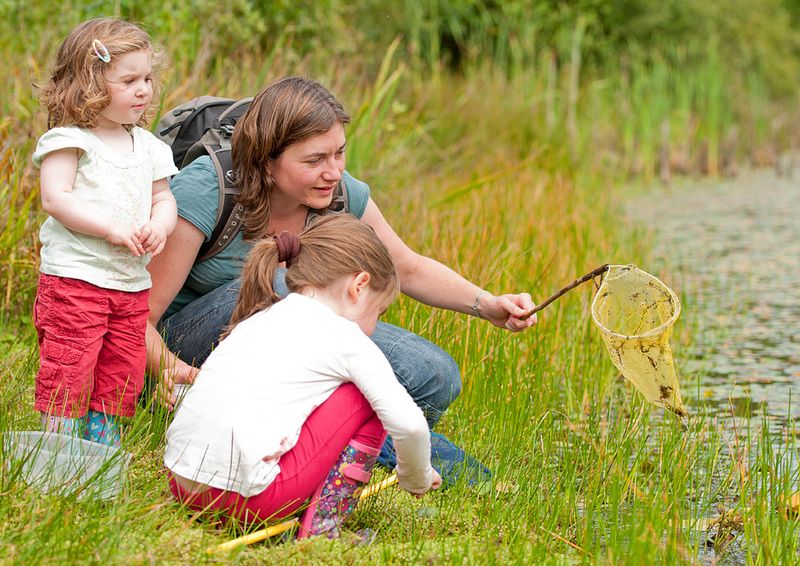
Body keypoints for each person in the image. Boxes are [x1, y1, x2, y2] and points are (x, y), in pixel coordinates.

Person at [147, 76, 536, 472]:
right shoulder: (209, 188)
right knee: (282, 289)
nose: (333, 172)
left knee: (433, 373)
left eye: (340, 154)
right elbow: (137, 313)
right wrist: (169, 369)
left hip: (295, 349)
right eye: (315, 160)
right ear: (267, 161)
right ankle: (414, 459)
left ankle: (334, 441)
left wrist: (486, 304)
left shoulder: (340, 194)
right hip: (187, 350)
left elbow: (407, 266)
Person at [165, 214, 441, 537]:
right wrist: (415, 476)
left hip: (181, 486)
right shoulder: (346, 338)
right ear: (359, 285)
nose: (373, 327)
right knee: (365, 397)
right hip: (245, 502)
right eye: (378, 312)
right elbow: (408, 424)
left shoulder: (259, 319)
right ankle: (323, 527)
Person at [32, 18, 178, 447]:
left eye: (147, 78)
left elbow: (164, 199)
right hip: (76, 278)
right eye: (129, 80)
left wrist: (160, 225)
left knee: (121, 368)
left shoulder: (150, 147)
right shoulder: (71, 140)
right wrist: (112, 229)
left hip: (130, 284)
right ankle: (59, 447)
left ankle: (101, 447)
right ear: (90, 85)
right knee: (71, 363)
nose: (143, 90)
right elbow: (55, 198)